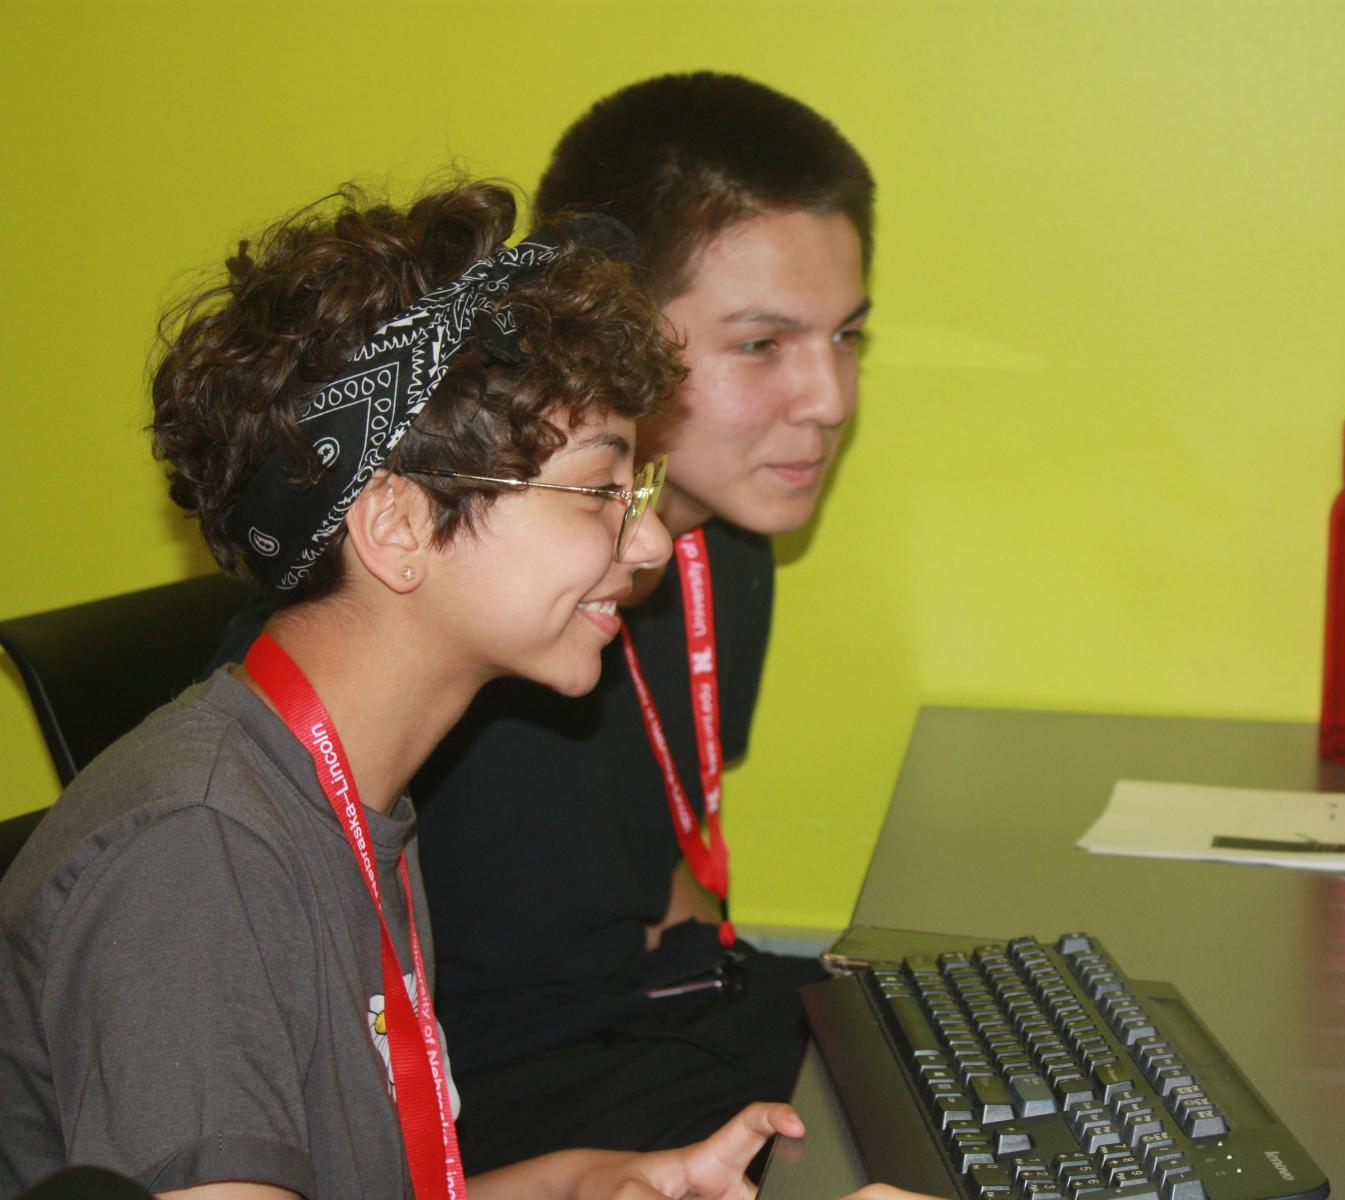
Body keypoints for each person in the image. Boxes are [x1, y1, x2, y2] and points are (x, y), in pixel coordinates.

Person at [0, 181, 901, 1200]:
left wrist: (581, 1183)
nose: (646, 539)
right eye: (602, 490)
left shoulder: (352, 795)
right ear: (395, 528)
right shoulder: (199, 853)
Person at [409, 73, 875, 1170]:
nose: (832, 399)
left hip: (655, 1023)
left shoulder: (726, 553)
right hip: (508, 1110)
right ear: (611, 333)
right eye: (763, 345)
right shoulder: (489, 588)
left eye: (849, 336)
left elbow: (654, 861)